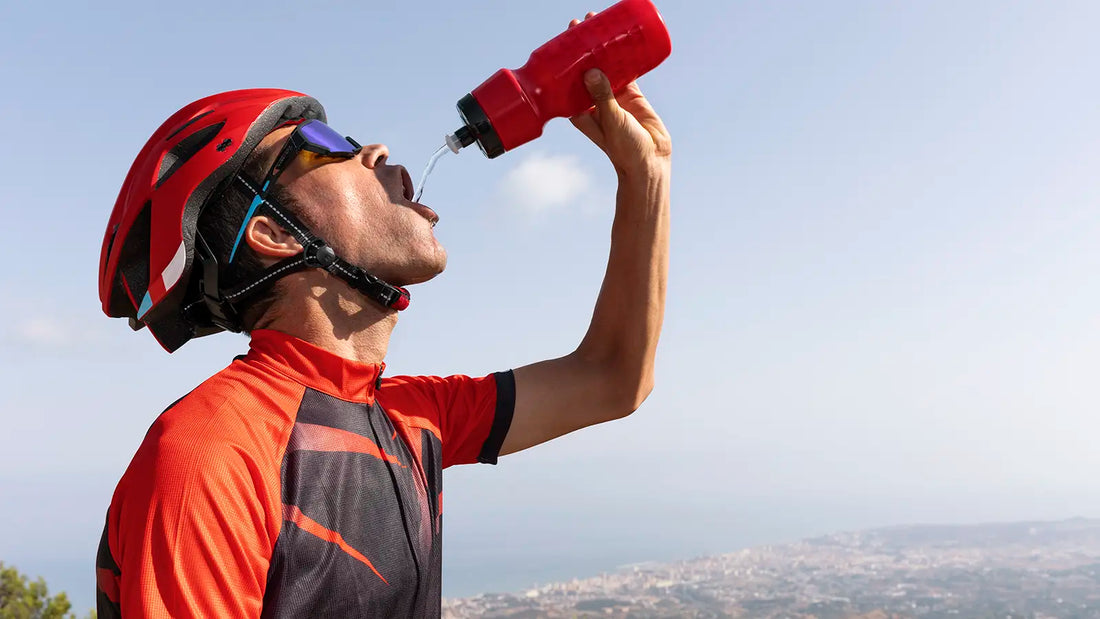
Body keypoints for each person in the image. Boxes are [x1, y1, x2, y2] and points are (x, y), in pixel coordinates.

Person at [93, 15, 671, 618]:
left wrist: (646, 174)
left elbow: (613, 377)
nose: (376, 150)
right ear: (272, 233)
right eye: (327, 145)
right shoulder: (212, 453)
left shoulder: (406, 416)